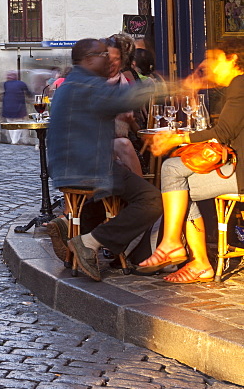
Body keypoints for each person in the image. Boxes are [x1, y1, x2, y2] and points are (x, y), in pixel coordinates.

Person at [46, 38, 161, 281]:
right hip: (89, 168)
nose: (108, 59)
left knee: (113, 195)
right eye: (102, 54)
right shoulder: (89, 86)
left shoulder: (71, 83)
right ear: (88, 60)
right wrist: (162, 86)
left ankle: (72, 225)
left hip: (69, 168)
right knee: (151, 199)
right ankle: (89, 241)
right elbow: (126, 100)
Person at [138, 40, 244, 283]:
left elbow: (222, 132)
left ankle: (176, 246)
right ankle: (193, 258)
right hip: (237, 168)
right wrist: (193, 89)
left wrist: (177, 138)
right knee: (178, 188)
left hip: (241, 174)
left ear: (232, 60)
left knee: (172, 169)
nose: (209, 65)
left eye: (215, 59)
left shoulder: (240, 84)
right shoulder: (235, 86)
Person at [106, 34, 144, 177]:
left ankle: (141, 194)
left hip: (126, 141)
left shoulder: (126, 83)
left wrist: (130, 120)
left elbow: (137, 128)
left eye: (116, 59)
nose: (112, 63)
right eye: (108, 59)